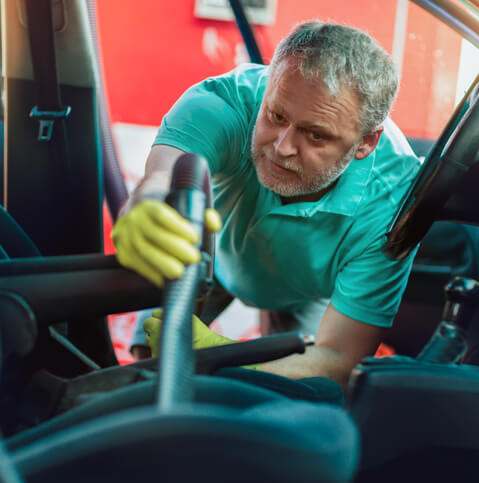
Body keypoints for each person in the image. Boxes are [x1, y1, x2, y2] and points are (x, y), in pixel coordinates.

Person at [111, 20, 421, 390]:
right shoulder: (227, 102)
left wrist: (218, 356)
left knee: (298, 394)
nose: (282, 146)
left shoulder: (392, 206)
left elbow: (339, 360)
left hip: (302, 291)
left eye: (316, 134)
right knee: (147, 366)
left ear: (365, 144)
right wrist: (146, 204)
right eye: (276, 116)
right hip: (209, 254)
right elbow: (161, 180)